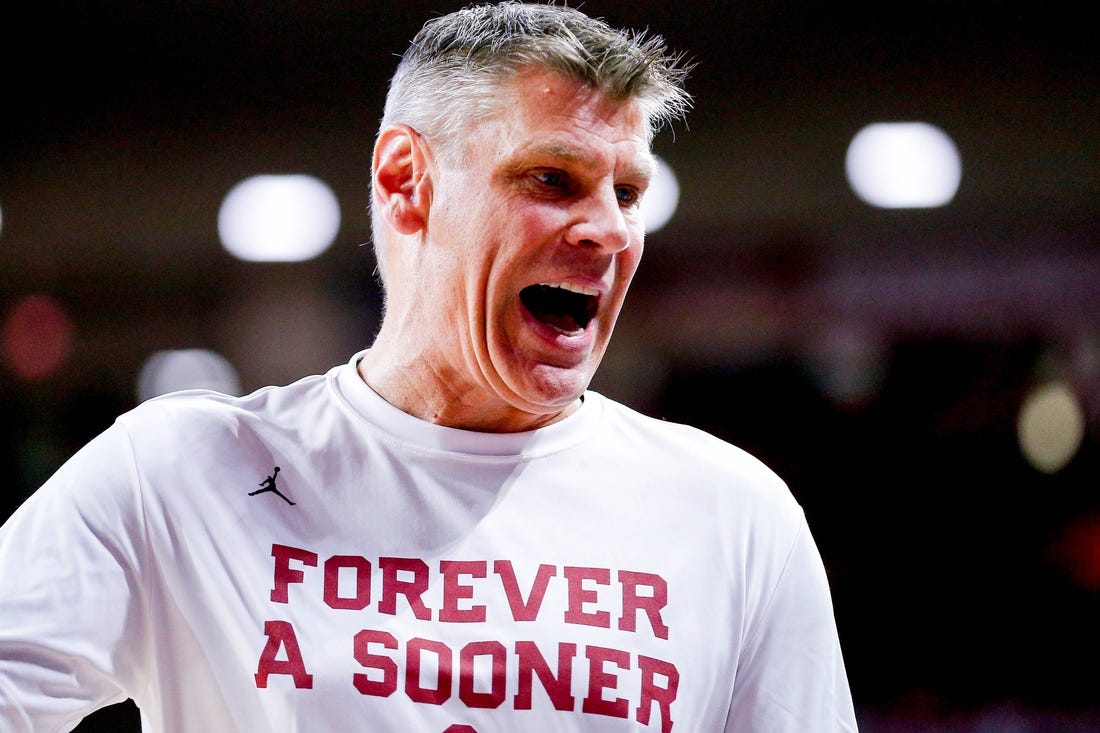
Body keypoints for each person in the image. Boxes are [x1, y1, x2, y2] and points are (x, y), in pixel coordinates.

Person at [0, 2, 858, 731]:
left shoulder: (733, 513)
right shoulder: (180, 470)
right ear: (408, 179)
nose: (610, 231)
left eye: (628, 192)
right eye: (554, 178)